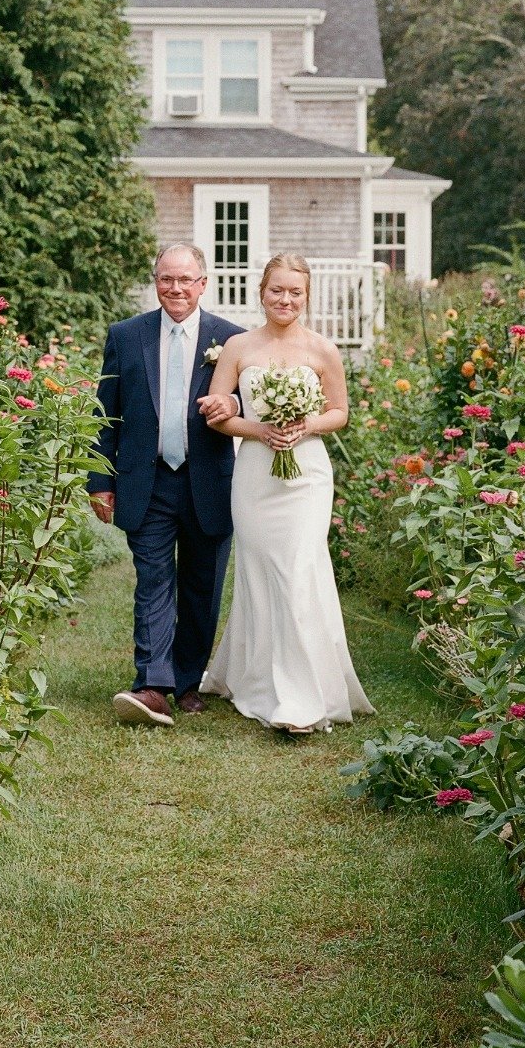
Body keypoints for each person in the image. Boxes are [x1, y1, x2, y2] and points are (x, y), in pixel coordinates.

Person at [199, 253, 373, 733]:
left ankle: (300, 698)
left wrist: (303, 426)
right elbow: (218, 417)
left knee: (299, 568)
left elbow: (340, 412)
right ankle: (256, 678)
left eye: (295, 291)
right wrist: (258, 430)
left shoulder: (323, 350)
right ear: (262, 291)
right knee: (260, 573)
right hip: (255, 473)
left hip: (307, 476)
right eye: (277, 290)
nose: (286, 299)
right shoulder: (237, 346)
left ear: (307, 296)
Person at [88, 243, 244, 727]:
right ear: (156, 281)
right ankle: (153, 685)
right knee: (153, 580)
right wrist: (99, 479)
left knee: (202, 585)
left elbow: (245, 400)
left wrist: (234, 407)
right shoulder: (126, 336)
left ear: (203, 283)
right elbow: (106, 413)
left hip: (208, 481)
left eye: (186, 280)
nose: (175, 288)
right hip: (147, 480)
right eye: (166, 279)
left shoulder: (231, 340)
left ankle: (187, 680)